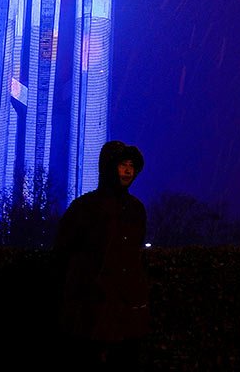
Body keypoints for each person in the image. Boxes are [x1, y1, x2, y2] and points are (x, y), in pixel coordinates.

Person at [56, 140, 150, 369]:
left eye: (131, 165)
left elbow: (134, 255)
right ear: (109, 168)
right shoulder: (84, 208)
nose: (128, 170)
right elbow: (63, 253)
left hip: (127, 311)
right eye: (122, 165)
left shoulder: (136, 209)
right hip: (92, 311)